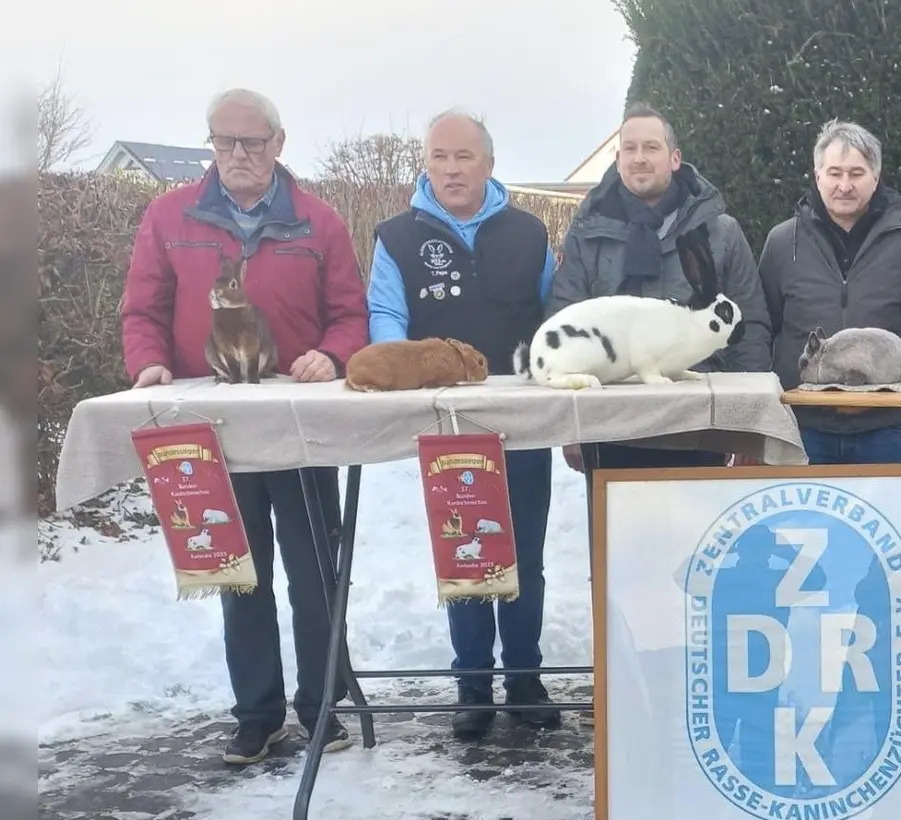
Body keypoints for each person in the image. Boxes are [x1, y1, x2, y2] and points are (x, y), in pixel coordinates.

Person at [120, 87, 369, 764]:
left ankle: (323, 709)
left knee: (316, 570)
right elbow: (142, 311)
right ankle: (255, 715)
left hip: (302, 427)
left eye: (251, 143)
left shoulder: (319, 222)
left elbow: (351, 313)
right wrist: (147, 364)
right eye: (223, 141)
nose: (236, 155)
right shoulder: (168, 216)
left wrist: (333, 353)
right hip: (211, 432)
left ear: (278, 144)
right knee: (238, 571)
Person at [366, 109, 561, 739]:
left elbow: (554, 322)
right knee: (466, 549)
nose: (450, 169)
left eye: (463, 157)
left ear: (490, 164)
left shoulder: (530, 233)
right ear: (425, 163)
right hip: (447, 427)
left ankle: (524, 679)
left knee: (524, 556)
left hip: (525, 424)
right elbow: (386, 319)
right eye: (439, 157)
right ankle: (472, 684)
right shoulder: (395, 237)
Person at [547, 103, 771, 475]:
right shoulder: (588, 233)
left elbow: (751, 329)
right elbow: (564, 320)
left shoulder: (721, 233)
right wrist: (570, 424)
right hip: (609, 426)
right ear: (618, 160)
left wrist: (746, 423)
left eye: (651, 148)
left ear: (675, 158)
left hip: (700, 427)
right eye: (629, 149)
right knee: (615, 535)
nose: (639, 159)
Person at [758, 119, 901, 464]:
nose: (845, 185)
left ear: (876, 176)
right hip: (800, 424)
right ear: (817, 175)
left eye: (857, 173)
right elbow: (761, 326)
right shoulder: (781, 243)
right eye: (835, 173)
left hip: (887, 426)